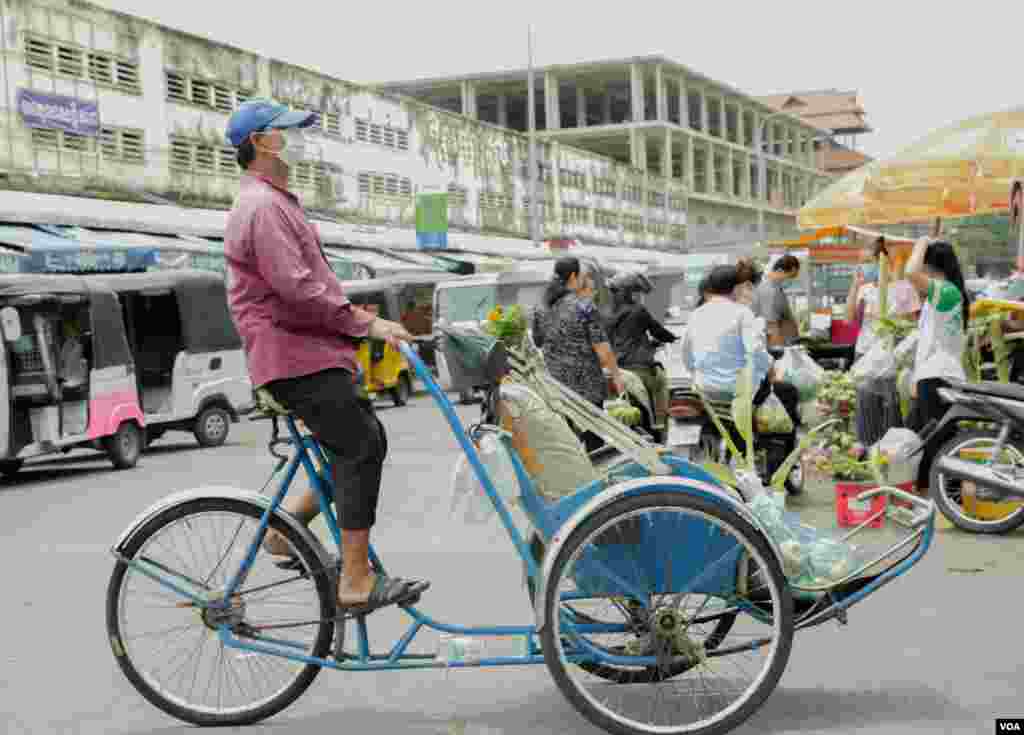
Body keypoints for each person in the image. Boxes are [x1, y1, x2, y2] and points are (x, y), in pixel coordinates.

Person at [223, 98, 427, 616]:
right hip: (293, 355)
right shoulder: (263, 208)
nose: (295, 141)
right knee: (358, 446)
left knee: (365, 441)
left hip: (309, 353)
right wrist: (367, 322)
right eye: (283, 133)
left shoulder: (276, 201)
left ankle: (282, 533)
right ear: (259, 144)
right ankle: (355, 580)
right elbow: (296, 290)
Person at [680, 265, 802, 492]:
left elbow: (686, 354)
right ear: (735, 288)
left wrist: (697, 374)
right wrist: (770, 367)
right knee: (789, 393)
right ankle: (783, 465)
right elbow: (755, 350)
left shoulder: (696, 315)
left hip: (705, 392)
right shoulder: (741, 313)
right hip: (739, 393)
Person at [531, 256, 625, 453]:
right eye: (582, 274)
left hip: (557, 388)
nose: (584, 278)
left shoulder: (540, 309)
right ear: (573, 276)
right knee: (594, 442)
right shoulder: (584, 307)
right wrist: (616, 376)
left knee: (567, 444)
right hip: (587, 387)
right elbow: (602, 348)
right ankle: (598, 477)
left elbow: (538, 341)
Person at [905, 237, 969, 490]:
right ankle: (936, 494)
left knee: (938, 441)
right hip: (932, 375)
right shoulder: (943, 293)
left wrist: (920, 242)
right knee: (929, 439)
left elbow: (910, 271)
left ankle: (951, 496)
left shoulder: (947, 292)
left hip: (939, 376)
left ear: (931, 266)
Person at [848, 238, 923, 446]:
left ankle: (891, 450)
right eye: (864, 262)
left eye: (870, 260)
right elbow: (850, 318)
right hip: (865, 354)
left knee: (891, 405)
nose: (865, 266)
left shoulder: (903, 287)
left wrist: (893, 324)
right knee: (866, 404)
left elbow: (913, 324)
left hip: (892, 358)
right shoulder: (865, 288)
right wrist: (855, 286)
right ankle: (866, 447)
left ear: (884, 259)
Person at [606, 271, 678, 441]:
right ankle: (659, 425)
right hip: (639, 369)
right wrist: (672, 338)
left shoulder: (608, 315)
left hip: (616, 370)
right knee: (660, 380)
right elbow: (658, 331)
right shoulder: (639, 310)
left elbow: (619, 340)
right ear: (630, 292)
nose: (638, 296)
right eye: (636, 292)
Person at [750, 255, 802, 348]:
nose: (790, 281)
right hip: (776, 348)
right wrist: (778, 353)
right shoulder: (769, 291)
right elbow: (771, 325)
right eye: (790, 276)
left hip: (787, 344)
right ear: (780, 271)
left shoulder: (777, 289)